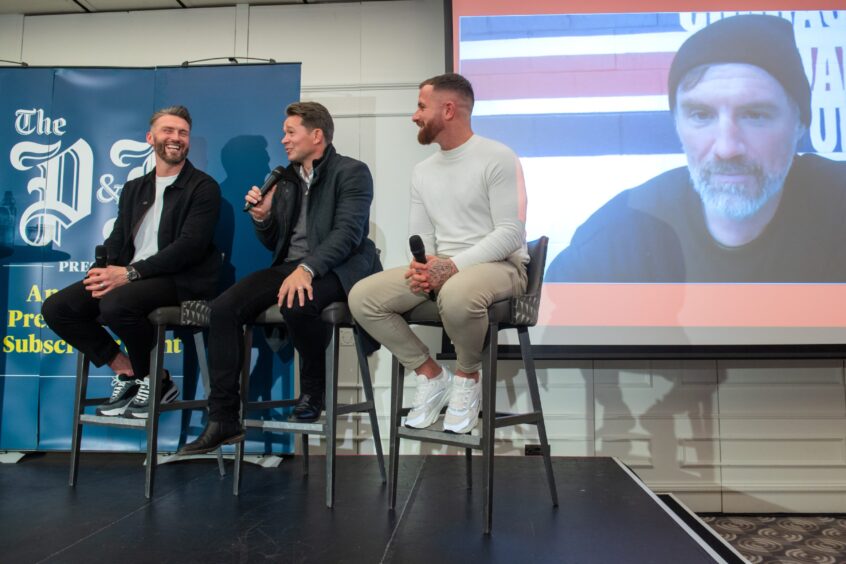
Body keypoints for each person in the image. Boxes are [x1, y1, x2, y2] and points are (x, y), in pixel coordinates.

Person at [547, 14, 846, 283]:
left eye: (755, 115)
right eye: (701, 115)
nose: (727, 148)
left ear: (800, 124)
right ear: (677, 124)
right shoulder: (616, 239)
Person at [178, 101, 380, 454]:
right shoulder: (285, 179)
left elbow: (347, 234)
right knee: (223, 308)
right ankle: (223, 417)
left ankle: (313, 388)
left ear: (316, 135)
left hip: (339, 267)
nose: (283, 140)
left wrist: (307, 269)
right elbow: (277, 241)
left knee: (297, 302)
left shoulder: (351, 172)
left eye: (290, 132)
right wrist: (263, 217)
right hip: (292, 266)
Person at [349, 73, 528, 434]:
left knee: (458, 292)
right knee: (363, 296)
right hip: (444, 266)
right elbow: (421, 235)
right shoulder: (423, 170)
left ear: (448, 109)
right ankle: (431, 374)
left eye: (420, 106)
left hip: (499, 265)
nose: (414, 116)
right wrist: (423, 265)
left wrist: (452, 267)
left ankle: (467, 377)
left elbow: (511, 233)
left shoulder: (497, 156)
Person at [42, 105, 222, 418]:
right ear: (151, 138)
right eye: (168, 131)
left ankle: (158, 380)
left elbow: (189, 248)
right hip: (135, 276)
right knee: (57, 308)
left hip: (180, 280)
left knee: (116, 305)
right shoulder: (134, 187)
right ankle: (128, 372)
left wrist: (129, 273)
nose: (176, 138)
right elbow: (118, 238)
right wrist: (102, 272)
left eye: (182, 132)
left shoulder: (203, 188)